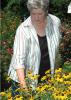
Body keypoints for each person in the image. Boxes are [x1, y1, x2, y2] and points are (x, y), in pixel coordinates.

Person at [8, 0, 61, 96]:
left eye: (40, 14)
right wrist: (24, 87)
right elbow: (19, 60)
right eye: (33, 14)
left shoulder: (55, 22)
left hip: (47, 78)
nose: (36, 18)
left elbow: (55, 52)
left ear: (46, 11)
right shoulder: (23, 29)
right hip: (24, 80)